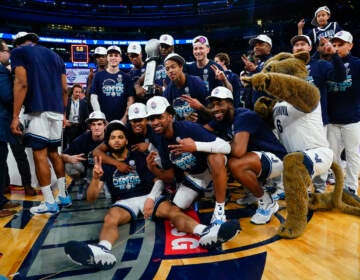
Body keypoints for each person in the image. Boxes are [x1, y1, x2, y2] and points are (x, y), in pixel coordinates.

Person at [64, 121, 240, 269]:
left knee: (173, 212)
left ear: (126, 140)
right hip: (124, 202)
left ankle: (204, 232)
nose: (116, 141)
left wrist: (151, 197)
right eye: (112, 138)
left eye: (120, 137)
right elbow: (91, 198)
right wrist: (95, 179)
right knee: (110, 218)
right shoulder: (104, 163)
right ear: (107, 142)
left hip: (147, 196)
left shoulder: (140, 155)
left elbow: (158, 179)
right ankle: (103, 250)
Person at [204, 86, 287, 224]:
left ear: (231, 103)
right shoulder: (222, 119)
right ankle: (252, 193)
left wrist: (215, 146)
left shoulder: (244, 116)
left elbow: (238, 151)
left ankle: (268, 202)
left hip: (276, 159)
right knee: (222, 160)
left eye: (220, 103)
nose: (215, 109)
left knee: (235, 163)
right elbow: (201, 131)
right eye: (212, 106)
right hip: (258, 159)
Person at [145, 96, 233, 225]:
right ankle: (206, 191)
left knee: (216, 158)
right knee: (175, 210)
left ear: (170, 116)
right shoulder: (160, 141)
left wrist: (195, 146)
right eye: (152, 119)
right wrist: (153, 169)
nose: (155, 122)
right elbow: (169, 177)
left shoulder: (188, 128)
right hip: (195, 175)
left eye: (159, 117)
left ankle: (219, 210)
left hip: (210, 167)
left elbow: (227, 147)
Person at [10, 31, 71, 215]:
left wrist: (15, 117)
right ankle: (63, 197)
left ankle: (49, 202)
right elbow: (65, 89)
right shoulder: (56, 56)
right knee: (54, 153)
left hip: (37, 109)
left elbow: (22, 83)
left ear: (18, 43)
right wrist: (64, 114)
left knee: (39, 155)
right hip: (57, 111)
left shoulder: (19, 53)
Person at [291, 34, 346, 192]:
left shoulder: (320, 65)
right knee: (299, 156)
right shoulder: (288, 69)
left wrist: (334, 54)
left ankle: (320, 189)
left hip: (318, 121)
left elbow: (341, 77)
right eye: (296, 45)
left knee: (320, 156)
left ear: (310, 48)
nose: (299, 47)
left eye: (303, 44)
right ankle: (304, 188)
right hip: (296, 121)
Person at [328, 31, 360, 195]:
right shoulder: (328, 63)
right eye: (334, 44)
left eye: (341, 45)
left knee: (353, 155)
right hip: (332, 120)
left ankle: (351, 186)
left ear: (351, 45)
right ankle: (339, 184)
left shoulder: (357, 63)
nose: (337, 48)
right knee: (333, 157)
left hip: (352, 119)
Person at [61, 111, 107, 200]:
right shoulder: (83, 139)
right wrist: (68, 158)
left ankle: (107, 184)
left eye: (99, 124)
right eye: (93, 125)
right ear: (90, 127)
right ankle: (83, 181)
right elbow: (62, 155)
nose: (96, 127)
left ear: (105, 125)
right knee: (70, 166)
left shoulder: (112, 138)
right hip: (88, 171)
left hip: (106, 171)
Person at [0, 39, 21, 217]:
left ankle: (2, 199)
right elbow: (7, 97)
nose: (9, 54)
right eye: (7, 50)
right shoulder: (1, 71)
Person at [90, 45, 135, 123]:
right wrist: (101, 119)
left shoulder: (127, 78)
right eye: (110, 55)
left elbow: (130, 100)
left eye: (116, 55)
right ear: (107, 58)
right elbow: (93, 98)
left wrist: (124, 119)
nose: (113, 58)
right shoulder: (98, 76)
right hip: (103, 121)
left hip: (123, 120)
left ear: (120, 58)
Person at [163, 53, 210, 124]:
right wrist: (184, 122)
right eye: (167, 69)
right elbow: (169, 121)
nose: (170, 71)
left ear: (181, 67)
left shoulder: (196, 82)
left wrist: (200, 107)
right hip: (183, 130)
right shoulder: (167, 92)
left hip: (203, 126)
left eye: (173, 67)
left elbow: (211, 113)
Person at [241, 34, 273, 109]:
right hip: (255, 108)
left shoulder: (274, 61)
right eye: (255, 45)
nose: (256, 47)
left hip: (267, 109)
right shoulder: (259, 64)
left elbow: (271, 81)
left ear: (269, 47)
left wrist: (255, 70)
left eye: (260, 44)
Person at [63, 84, 89, 149]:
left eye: (79, 92)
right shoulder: (67, 101)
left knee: (79, 146)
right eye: (76, 92)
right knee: (69, 147)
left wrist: (86, 128)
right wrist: (64, 121)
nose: (78, 94)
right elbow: (62, 112)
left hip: (80, 128)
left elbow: (86, 116)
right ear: (72, 91)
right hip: (69, 127)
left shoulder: (84, 102)